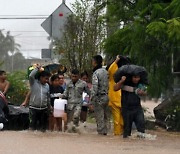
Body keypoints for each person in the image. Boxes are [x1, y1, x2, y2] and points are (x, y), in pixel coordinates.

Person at [91, 55, 110, 135]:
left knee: (99, 118)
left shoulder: (96, 73)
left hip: (99, 97)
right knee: (106, 117)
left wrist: (91, 99)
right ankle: (106, 132)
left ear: (95, 62)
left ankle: (101, 134)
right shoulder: (106, 72)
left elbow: (95, 87)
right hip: (106, 96)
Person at [28, 65, 51, 131]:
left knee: (43, 128)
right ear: (41, 77)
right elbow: (31, 76)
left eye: (48, 79)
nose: (47, 80)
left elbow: (48, 97)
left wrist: (49, 107)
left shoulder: (47, 86)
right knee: (32, 127)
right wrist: (37, 69)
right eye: (46, 78)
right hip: (33, 108)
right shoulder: (33, 83)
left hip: (44, 109)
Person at [107, 56, 123, 135]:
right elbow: (110, 70)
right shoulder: (113, 73)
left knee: (123, 121)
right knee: (117, 121)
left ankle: (121, 135)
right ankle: (117, 135)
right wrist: (116, 60)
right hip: (114, 99)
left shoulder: (124, 74)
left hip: (123, 100)